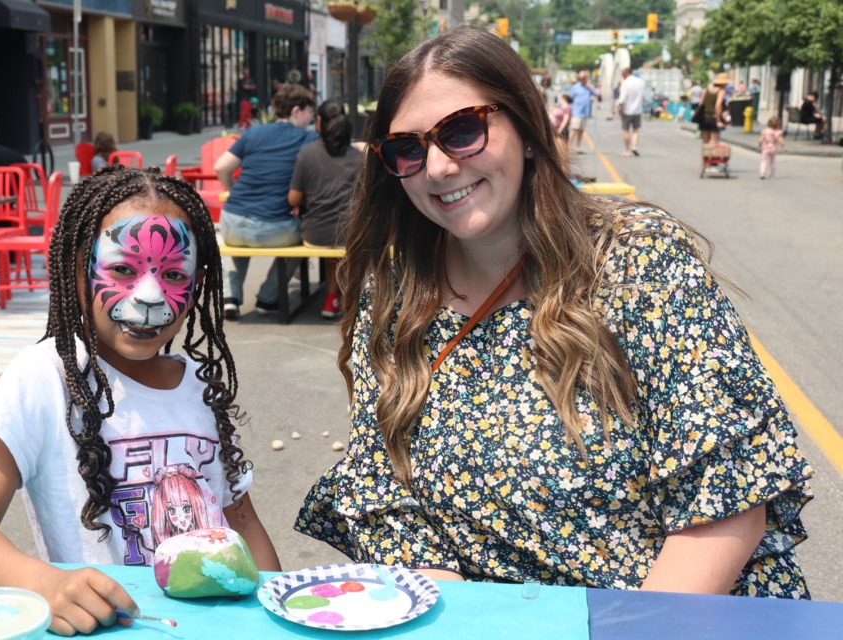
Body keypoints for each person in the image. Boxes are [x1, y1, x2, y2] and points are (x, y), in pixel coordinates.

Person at [295, 27, 813, 599]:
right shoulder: (395, 292)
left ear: (528, 130)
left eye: (462, 131)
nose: (438, 167)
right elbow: (386, 495)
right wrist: (457, 621)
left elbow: (726, 497)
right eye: (408, 148)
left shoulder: (637, 260)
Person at [0, 166, 282, 636]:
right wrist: (46, 585)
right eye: (122, 269)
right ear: (78, 268)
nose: (149, 296)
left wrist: (275, 613)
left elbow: (242, 524)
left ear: (197, 282)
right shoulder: (45, 378)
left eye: (174, 274)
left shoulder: (199, 385)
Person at [214, 83, 317, 319]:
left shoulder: (253, 133)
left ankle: (231, 297)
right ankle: (268, 298)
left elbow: (221, 166)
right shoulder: (308, 138)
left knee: (238, 240)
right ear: (296, 111)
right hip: (272, 228)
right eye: (310, 113)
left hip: (231, 220)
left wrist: (232, 190)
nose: (311, 119)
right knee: (305, 237)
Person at [287, 100, 364, 319]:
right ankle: (338, 298)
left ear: (319, 122)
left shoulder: (307, 153)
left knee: (336, 236)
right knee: (344, 234)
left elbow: (293, 198)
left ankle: (332, 297)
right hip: (349, 232)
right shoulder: (358, 157)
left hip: (315, 234)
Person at [567, 70, 600, 154]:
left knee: (581, 131)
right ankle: (568, 146)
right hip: (577, 112)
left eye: (584, 78)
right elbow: (570, 98)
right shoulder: (575, 87)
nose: (582, 80)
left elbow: (597, 94)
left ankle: (578, 147)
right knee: (574, 129)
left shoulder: (589, 87)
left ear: (586, 78)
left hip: (585, 112)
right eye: (580, 78)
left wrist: (590, 87)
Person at [616, 67, 645, 156]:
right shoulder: (640, 82)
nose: (621, 75)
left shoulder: (625, 83)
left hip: (627, 110)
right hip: (638, 110)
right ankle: (634, 146)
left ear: (626, 73)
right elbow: (643, 96)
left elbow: (622, 99)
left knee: (626, 130)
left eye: (622, 73)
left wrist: (619, 109)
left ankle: (627, 150)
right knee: (636, 130)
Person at [698, 73, 728, 146]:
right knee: (713, 143)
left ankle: (705, 157)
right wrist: (718, 121)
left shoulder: (706, 90)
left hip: (704, 117)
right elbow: (718, 106)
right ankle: (711, 156)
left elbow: (701, 103)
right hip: (713, 118)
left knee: (705, 143)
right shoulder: (721, 91)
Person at [758, 115, 786, 179]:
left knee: (764, 161)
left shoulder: (765, 131)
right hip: (773, 149)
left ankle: (762, 173)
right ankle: (772, 173)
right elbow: (780, 140)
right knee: (772, 162)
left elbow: (761, 139)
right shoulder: (778, 132)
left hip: (765, 149)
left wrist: (759, 144)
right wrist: (784, 146)